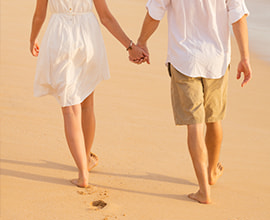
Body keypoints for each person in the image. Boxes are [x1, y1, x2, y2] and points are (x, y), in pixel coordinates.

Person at [135, 0, 252, 204]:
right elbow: (238, 16)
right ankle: (211, 172)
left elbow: (155, 13)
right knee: (214, 119)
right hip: (217, 60)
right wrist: (245, 57)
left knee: (194, 124)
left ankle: (204, 190)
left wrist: (142, 41)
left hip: (184, 60)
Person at [30, 0, 148, 188]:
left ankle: (83, 173)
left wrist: (33, 39)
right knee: (87, 104)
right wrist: (130, 46)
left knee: (70, 109)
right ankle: (85, 158)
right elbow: (106, 17)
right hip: (87, 37)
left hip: (60, 37)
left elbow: (39, 15)